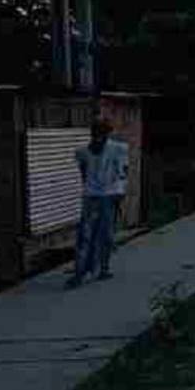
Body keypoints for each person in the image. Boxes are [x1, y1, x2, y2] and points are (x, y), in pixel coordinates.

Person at [69, 118, 129, 288]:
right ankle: (80, 272)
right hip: (91, 196)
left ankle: (103, 268)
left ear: (106, 134)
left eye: (101, 134)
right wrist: (89, 189)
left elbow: (124, 172)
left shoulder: (118, 149)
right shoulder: (82, 151)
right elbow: (83, 172)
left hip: (110, 195)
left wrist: (120, 192)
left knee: (106, 235)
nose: (97, 138)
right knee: (85, 234)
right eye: (95, 134)